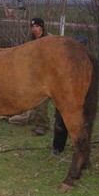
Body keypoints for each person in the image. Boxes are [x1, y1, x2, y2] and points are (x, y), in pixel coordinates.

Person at [9, 18, 68, 154]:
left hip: (52, 76)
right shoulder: (30, 42)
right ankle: (41, 123)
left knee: (58, 105)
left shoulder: (50, 40)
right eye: (32, 26)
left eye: (37, 26)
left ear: (42, 27)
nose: (34, 29)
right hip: (36, 77)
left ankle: (58, 128)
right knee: (38, 101)